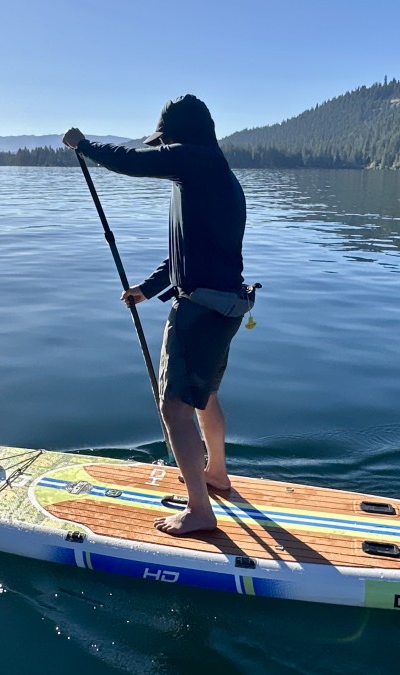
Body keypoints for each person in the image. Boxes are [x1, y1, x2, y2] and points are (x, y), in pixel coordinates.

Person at [63, 94, 251, 535]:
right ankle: (216, 474)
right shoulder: (215, 176)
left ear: (181, 137)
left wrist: (83, 145)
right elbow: (187, 254)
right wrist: (147, 290)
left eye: (166, 141)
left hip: (200, 309)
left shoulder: (198, 162)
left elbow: (132, 162)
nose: (163, 149)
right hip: (225, 305)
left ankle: (200, 511)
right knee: (205, 395)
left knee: (175, 410)